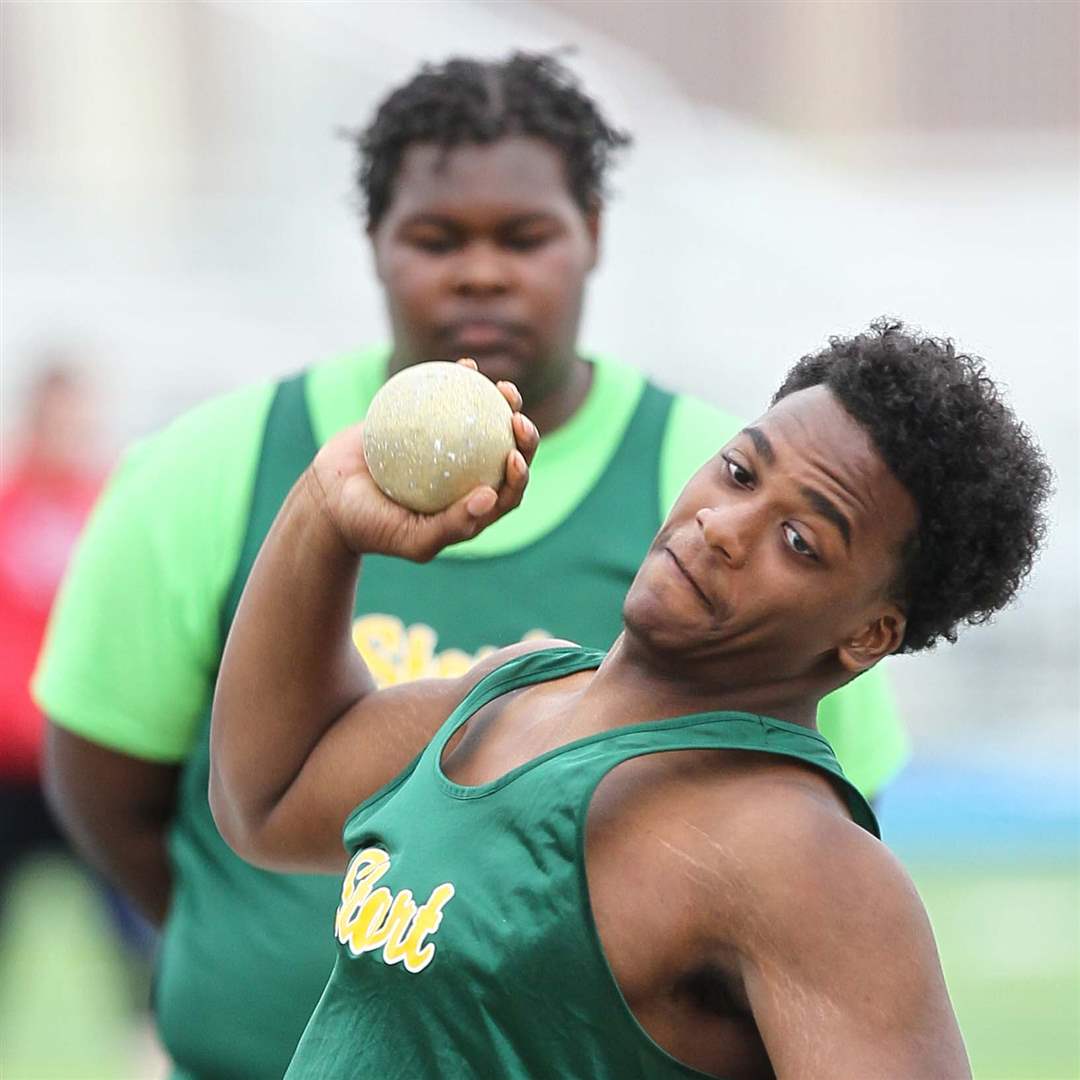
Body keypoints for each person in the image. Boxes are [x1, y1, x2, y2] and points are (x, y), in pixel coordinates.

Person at [36, 53, 906, 1078]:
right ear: (374, 243)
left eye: (526, 236)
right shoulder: (210, 465)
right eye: (437, 237)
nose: (482, 272)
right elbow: (131, 792)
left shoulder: (714, 478)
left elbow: (827, 822)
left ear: (593, 236)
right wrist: (260, 950)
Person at [211, 325, 1050, 1079]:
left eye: (799, 542)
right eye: (740, 470)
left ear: (867, 636)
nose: (725, 524)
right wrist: (324, 512)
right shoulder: (509, 692)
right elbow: (270, 797)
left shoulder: (805, 863)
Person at [0, 362, 102, 888]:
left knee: (135, 924)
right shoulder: (6, 509)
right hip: (8, 762)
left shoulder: (107, 511)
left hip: (80, 752)